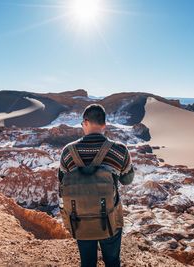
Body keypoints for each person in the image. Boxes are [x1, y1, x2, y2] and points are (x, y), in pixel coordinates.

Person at [58, 104, 134, 267]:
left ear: (85, 122)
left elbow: (62, 181)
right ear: (104, 125)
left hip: (79, 219)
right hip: (110, 217)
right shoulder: (119, 150)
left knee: (87, 262)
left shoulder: (68, 152)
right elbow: (127, 180)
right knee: (112, 261)